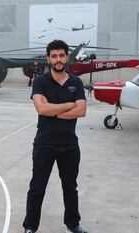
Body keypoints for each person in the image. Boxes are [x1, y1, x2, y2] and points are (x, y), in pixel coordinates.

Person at [23, 40, 88, 233]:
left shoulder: (75, 82)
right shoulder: (40, 82)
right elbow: (41, 109)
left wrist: (54, 111)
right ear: (48, 58)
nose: (58, 60)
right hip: (44, 144)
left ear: (67, 57)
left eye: (61, 55)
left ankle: (72, 224)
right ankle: (30, 227)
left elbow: (82, 111)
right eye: (54, 56)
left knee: (70, 188)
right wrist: (70, 105)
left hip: (69, 145)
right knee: (37, 188)